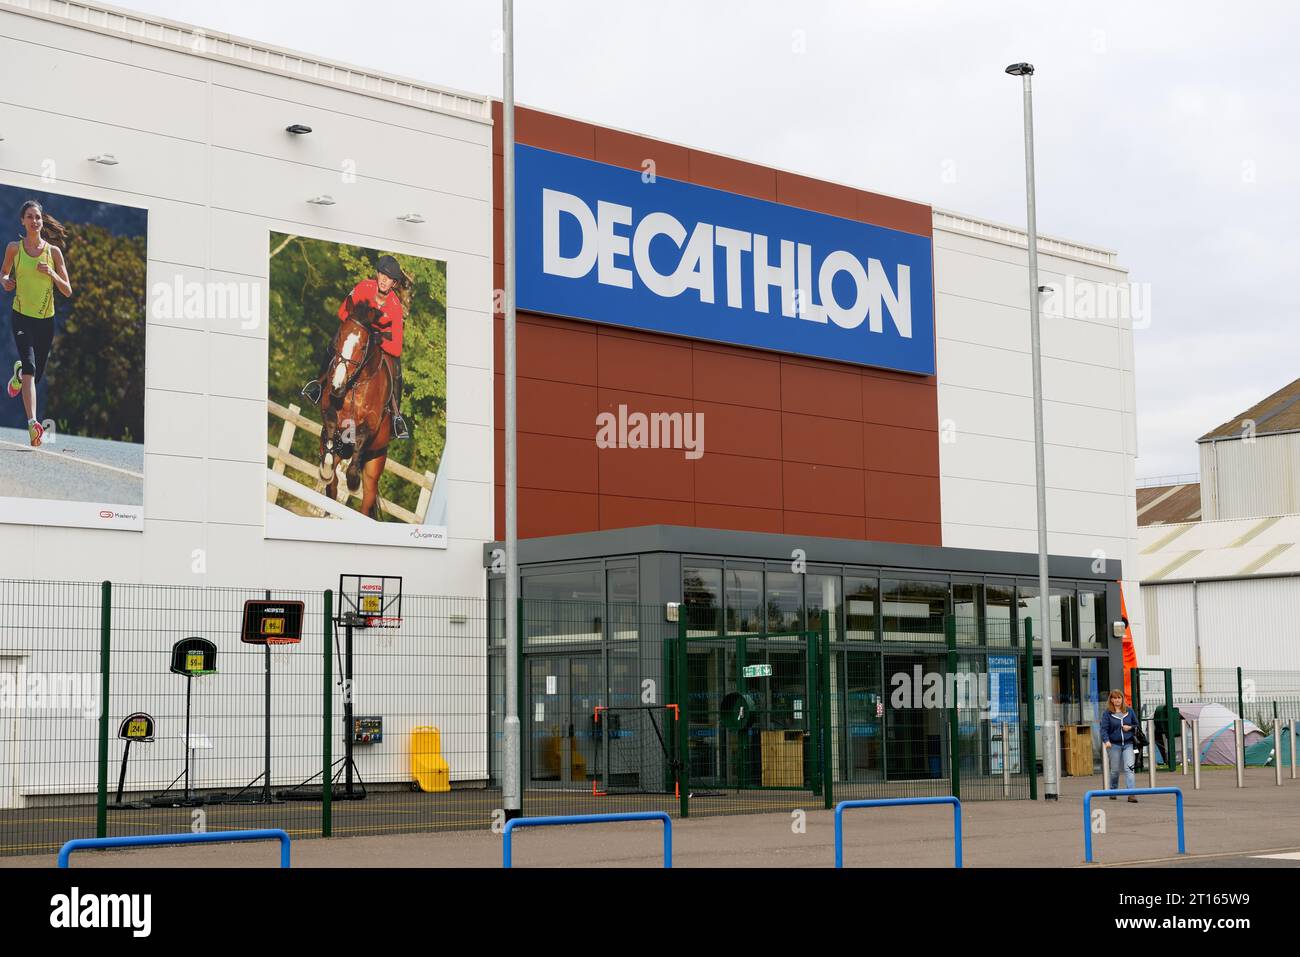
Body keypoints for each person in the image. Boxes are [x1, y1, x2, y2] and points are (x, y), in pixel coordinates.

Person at [302, 254, 409, 439]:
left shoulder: (395, 306)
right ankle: (318, 385)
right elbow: (342, 311)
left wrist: (379, 339)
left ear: (394, 283)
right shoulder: (363, 287)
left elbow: (397, 347)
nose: (384, 280)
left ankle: (395, 417)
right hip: (357, 333)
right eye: (382, 275)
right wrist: (357, 326)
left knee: (396, 367)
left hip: (378, 343)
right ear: (377, 274)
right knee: (334, 341)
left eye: (389, 278)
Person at [1, 200, 73, 447]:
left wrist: (51, 273)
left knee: (35, 373)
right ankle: (33, 424)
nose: (34, 221)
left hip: (46, 321)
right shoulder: (14, 248)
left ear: (42, 221)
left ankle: (19, 374)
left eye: (38, 217)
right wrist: (6, 281)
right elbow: (4, 273)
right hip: (21, 316)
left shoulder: (53, 252)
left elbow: (68, 290)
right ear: (22, 220)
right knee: (31, 366)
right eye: (30, 217)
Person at [1100, 688, 1140, 802]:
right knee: (1115, 770)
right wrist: (1106, 741)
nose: (1117, 700)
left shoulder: (1129, 711)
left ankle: (1131, 794)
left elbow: (1136, 725)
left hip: (1128, 744)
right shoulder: (1107, 713)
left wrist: (1130, 727)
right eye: (1114, 698)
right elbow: (1104, 729)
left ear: (1122, 699)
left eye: (1119, 698)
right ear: (1111, 700)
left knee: (1129, 769)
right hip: (1114, 745)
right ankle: (1113, 790)